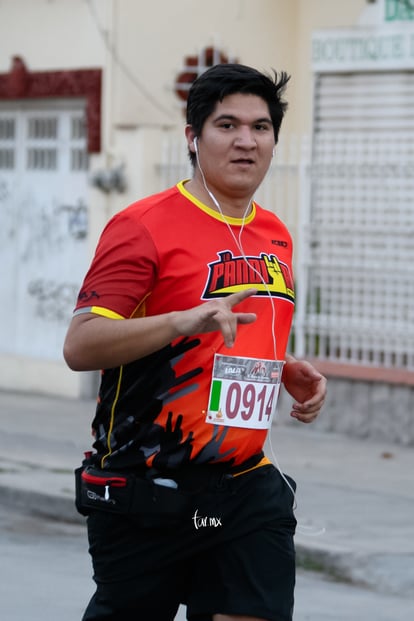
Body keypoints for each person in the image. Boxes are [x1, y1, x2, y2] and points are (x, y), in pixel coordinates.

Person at [64, 63, 326, 621]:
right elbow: (81, 346)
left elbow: (231, 331)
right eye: (226, 124)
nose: (245, 141)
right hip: (148, 485)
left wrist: (282, 367)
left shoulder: (274, 233)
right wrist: (178, 322)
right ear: (193, 136)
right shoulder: (144, 226)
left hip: (245, 485)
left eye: (260, 127)